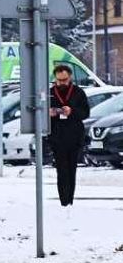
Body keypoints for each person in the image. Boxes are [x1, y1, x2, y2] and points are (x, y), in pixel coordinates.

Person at [49, 62, 90, 206]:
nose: (62, 83)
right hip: (56, 136)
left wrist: (71, 111)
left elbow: (86, 113)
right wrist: (51, 113)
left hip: (74, 136)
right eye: (59, 80)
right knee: (61, 169)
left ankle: (70, 200)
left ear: (70, 78)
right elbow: (40, 113)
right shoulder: (51, 93)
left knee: (71, 169)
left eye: (65, 80)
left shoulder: (78, 92)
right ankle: (63, 200)